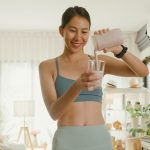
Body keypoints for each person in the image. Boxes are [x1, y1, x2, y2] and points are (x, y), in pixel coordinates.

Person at [39, 6, 148, 150]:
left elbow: (142, 71)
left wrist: (118, 49)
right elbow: (54, 113)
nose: (78, 37)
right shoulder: (48, 67)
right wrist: (78, 85)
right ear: (61, 31)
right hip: (67, 141)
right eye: (72, 30)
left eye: (84, 32)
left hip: (99, 139)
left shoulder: (98, 61)